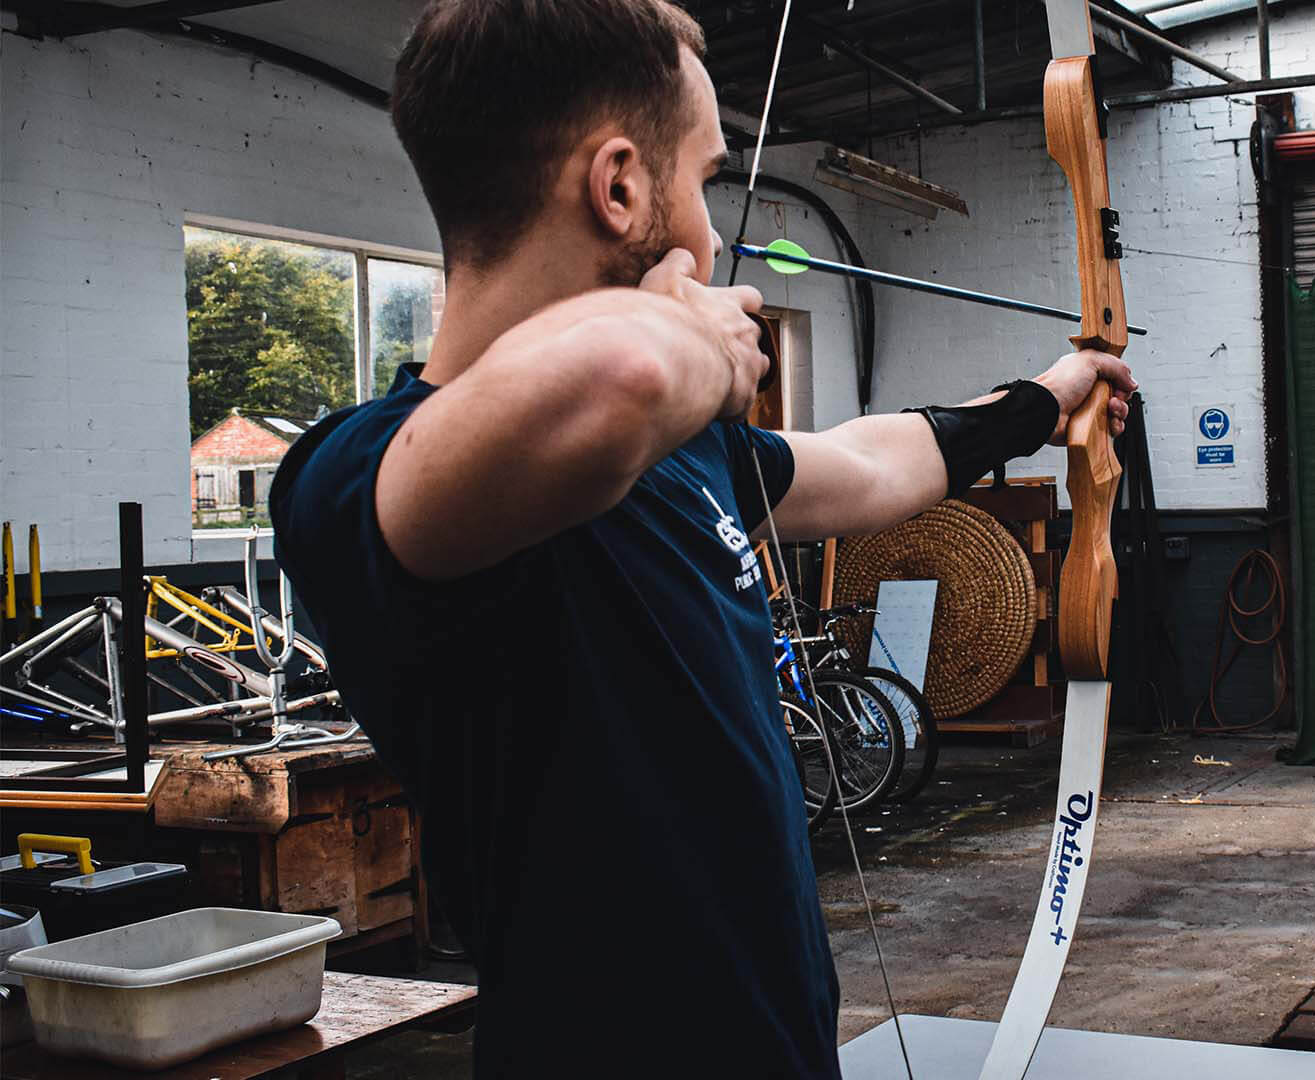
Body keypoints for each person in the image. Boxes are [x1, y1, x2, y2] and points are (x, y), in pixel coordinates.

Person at [269, 1, 1135, 1076]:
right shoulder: (361, 477)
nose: (714, 234)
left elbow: (874, 465)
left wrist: (1047, 401)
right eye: (706, 178)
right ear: (620, 186)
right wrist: (697, 338)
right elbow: (621, 379)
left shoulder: (681, 450)